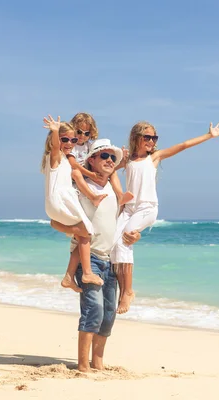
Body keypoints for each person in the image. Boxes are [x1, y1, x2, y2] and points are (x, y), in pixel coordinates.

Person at [112, 121, 219, 314]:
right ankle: (123, 290)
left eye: (154, 138)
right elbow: (111, 171)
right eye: (147, 137)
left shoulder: (154, 157)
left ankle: (128, 292)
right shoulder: (128, 159)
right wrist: (119, 189)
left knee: (124, 242)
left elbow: (183, 146)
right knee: (112, 244)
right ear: (136, 138)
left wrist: (209, 135)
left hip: (146, 208)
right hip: (129, 208)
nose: (151, 141)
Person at [72, 138, 141, 372]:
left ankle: (97, 363)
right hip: (89, 257)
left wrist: (133, 235)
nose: (110, 160)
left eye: (112, 157)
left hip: (111, 259)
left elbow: (123, 221)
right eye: (104, 156)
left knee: (109, 313)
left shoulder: (113, 187)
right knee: (94, 311)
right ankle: (83, 366)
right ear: (91, 160)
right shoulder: (82, 185)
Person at [41, 115, 107, 291]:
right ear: (56, 140)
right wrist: (55, 131)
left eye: (73, 140)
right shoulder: (55, 156)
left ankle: (69, 277)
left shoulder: (63, 158)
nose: (70, 143)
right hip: (61, 201)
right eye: (65, 139)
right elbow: (56, 146)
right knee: (86, 232)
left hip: (56, 204)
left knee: (84, 235)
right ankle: (86, 273)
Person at [68, 112, 133, 207]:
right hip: (77, 175)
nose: (82, 136)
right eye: (79, 132)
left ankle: (120, 196)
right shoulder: (72, 145)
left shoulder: (89, 146)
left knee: (113, 172)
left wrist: (120, 161)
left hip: (89, 172)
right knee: (76, 173)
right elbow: (73, 164)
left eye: (86, 133)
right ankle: (93, 197)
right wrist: (90, 174)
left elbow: (99, 161)